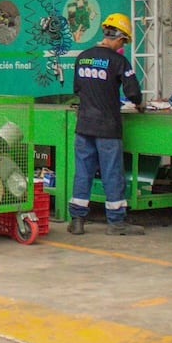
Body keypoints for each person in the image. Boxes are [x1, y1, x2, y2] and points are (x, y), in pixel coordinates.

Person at [68, 13, 145, 236]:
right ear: (119, 37)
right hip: (108, 128)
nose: (123, 46)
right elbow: (133, 92)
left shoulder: (82, 57)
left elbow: (77, 89)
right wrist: (139, 104)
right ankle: (116, 222)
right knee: (112, 173)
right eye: (124, 42)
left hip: (84, 126)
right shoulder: (118, 61)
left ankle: (77, 221)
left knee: (83, 173)